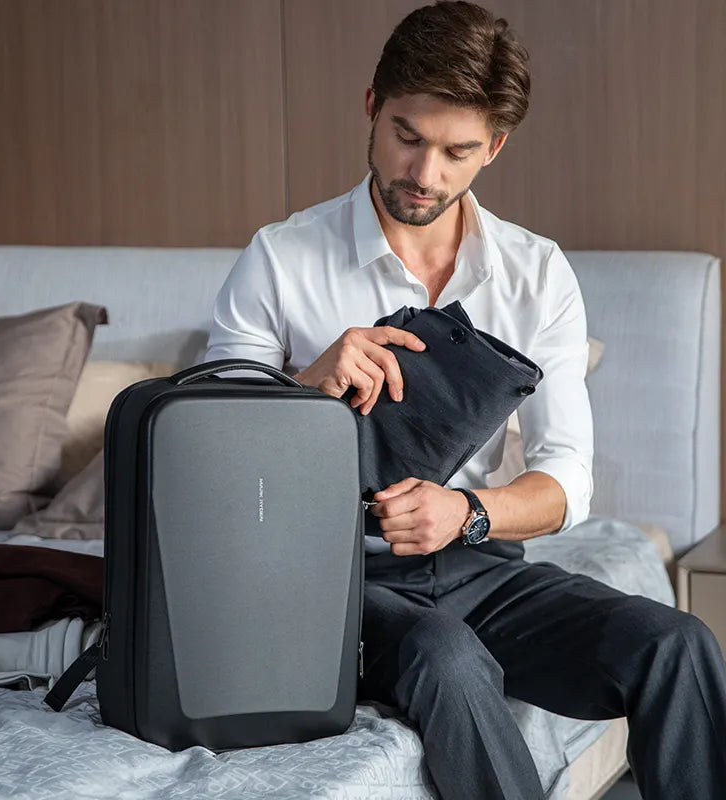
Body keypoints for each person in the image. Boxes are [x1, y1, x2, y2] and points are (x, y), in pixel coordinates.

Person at [204, 2, 726, 798]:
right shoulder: (280, 259)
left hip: (481, 565)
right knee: (448, 656)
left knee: (677, 644)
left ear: (496, 146)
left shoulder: (536, 273)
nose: (425, 174)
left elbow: (567, 480)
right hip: (330, 585)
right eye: (408, 136)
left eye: (457, 152)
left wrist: (466, 513)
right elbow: (205, 460)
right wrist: (306, 387)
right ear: (372, 105)